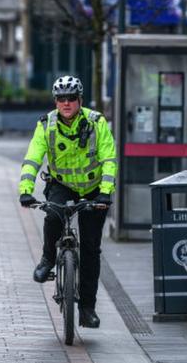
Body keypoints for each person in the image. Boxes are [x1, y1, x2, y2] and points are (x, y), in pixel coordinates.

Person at [18, 75, 117, 329]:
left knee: (91, 250)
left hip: (94, 189)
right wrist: (26, 191)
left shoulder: (96, 122)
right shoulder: (46, 124)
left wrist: (106, 192)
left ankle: (87, 309)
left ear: (80, 100)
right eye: (61, 98)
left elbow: (109, 158)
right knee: (52, 215)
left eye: (71, 98)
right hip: (61, 184)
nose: (66, 103)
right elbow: (32, 158)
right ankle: (48, 259)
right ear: (55, 101)